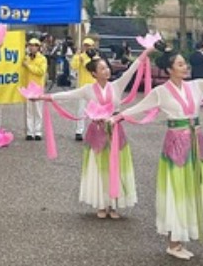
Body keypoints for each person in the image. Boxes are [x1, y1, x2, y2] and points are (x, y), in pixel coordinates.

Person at [116, 41, 203, 260]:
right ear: (169, 70)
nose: (185, 67)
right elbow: (139, 108)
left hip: (196, 143)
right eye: (180, 64)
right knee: (177, 189)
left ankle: (183, 235)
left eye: (185, 64)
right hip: (176, 145)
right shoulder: (161, 92)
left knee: (193, 188)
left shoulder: (196, 86)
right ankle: (173, 242)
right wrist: (117, 117)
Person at [39, 48, 153, 219]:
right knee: (99, 167)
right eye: (102, 69)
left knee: (116, 166)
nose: (106, 71)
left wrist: (146, 53)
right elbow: (68, 95)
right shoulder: (87, 90)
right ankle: (101, 202)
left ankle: (114, 204)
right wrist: (43, 97)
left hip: (115, 129)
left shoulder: (117, 85)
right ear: (93, 73)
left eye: (107, 67)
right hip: (97, 131)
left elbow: (133, 69)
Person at [70, 36, 99, 140]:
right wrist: (77, 57)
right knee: (81, 110)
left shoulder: (96, 57)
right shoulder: (80, 56)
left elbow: (94, 67)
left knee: (94, 110)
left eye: (89, 46)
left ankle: (94, 131)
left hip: (94, 87)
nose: (87, 48)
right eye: (85, 45)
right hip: (82, 87)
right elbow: (73, 66)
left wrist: (86, 60)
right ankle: (79, 131)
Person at [23, 37, 47, 141]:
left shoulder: (42, 59)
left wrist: (28, 66)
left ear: (38, 47)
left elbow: (41, 71)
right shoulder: (26, 58)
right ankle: (29, 132)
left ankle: (38, 132)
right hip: (28, 87)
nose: (32, 47)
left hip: (37, 88)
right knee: (29, 111)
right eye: (31, 45)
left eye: (34, 45)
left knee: (37, 111)